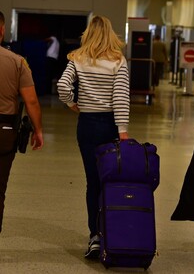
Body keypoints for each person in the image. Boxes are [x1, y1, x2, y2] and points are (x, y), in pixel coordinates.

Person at [57, 15, 130, 259]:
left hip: (86, 125)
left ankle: (94, 236)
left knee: (93, 181)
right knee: (110, 179)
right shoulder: (118, 60)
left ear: (88, 33)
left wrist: (72, 104)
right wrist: (123, 130)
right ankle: (112, 232)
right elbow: (120, 97)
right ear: (110, 33)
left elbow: (62, 86)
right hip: (109, 126)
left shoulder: (77, 59)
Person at [0, 11, 44, 232]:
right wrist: (38, 130)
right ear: (1, 30)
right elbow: (31, 101)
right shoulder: (17, 62)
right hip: (4, 130)